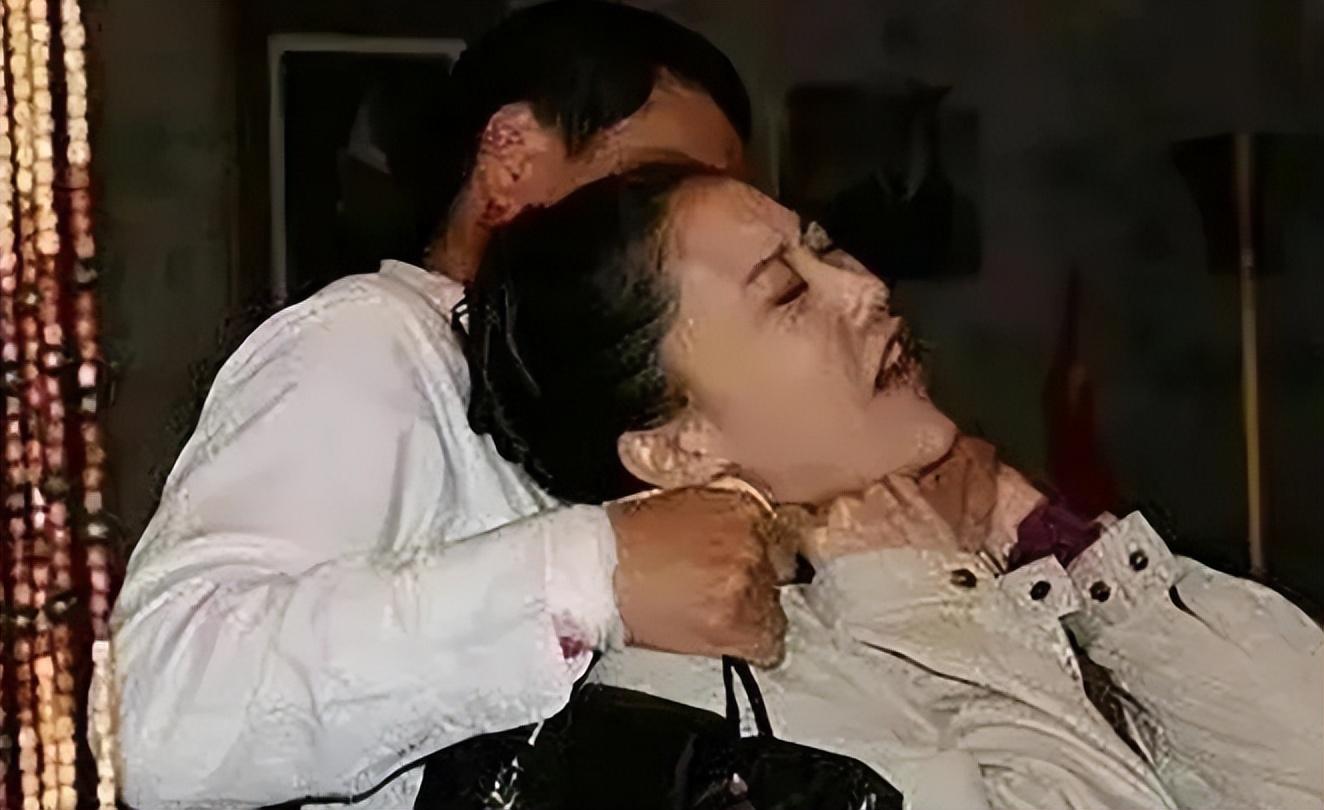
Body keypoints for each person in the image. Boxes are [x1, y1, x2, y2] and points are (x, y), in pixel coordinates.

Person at [457, 162, 1324, 810]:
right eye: (788, 293)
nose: (865, 287)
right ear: (676, 447)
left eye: (826, 249)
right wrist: (924, 607)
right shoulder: (703, 719)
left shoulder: (936, 573)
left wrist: (1054, 546)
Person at [110, 4, 787, 808]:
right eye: (656, 190)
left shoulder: (597, 408)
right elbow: (164, 719)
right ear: (512, 160)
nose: (690, 238)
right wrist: (587, 577)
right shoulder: (374, 341)